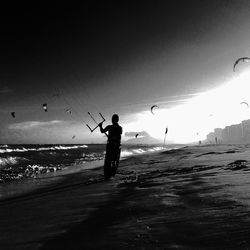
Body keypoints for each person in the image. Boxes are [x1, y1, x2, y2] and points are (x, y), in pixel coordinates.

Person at [99, 114, 122, 178]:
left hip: (111, 145)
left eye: (113, 119)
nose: (112, 120)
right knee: (115, 160)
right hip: (117, 146)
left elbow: (102, 131)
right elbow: (119, 137)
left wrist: (100, 126)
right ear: (118, 120)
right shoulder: (120, 128)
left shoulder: (109, 127)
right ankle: (112, 173)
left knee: (108, 160)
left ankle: (108, 174)